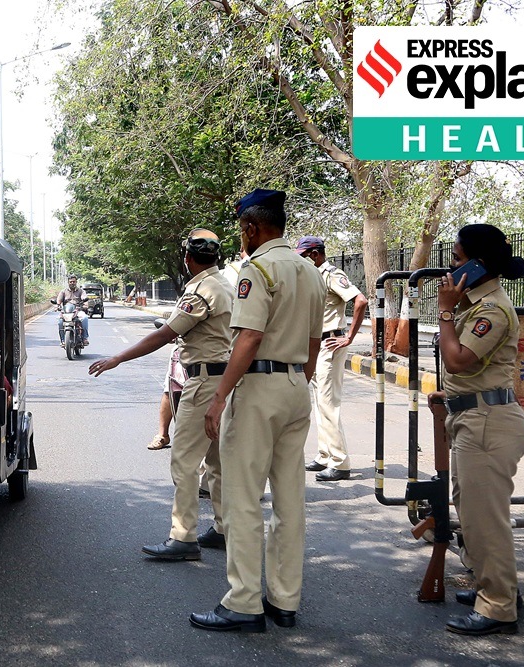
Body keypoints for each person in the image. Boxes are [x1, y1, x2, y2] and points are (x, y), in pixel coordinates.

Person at [192, 188, 324, 633]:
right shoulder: (310, 271)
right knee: (290, 500)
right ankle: (284, 601)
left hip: (258, 389)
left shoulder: (258, 269)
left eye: (241, 229)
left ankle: (243, 602)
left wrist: (219, 397)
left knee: (243, 498)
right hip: (296, 386)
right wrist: (295, 382)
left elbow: (248, 338)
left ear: (251, 228)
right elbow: (313, 342)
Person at [90, 229, 233, 560]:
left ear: (187, 258)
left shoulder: (200, 291)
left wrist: (117, 358)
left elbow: (165, 334)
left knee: (185, 461)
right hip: (226, 380)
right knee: (217, 460)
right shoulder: (226, 284)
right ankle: (225, 529)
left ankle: (183, 538)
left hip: (204, 382)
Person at [436, 224, 524, 636]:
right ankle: (496, 587)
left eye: (456, 259)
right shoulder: (477, 305)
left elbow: (458, 360)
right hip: (472, 418)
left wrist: (444, 311)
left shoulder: (491, 310)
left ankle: (498, 606)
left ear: (477, 264)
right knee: (472, 512)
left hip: (487, 424)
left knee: (485, 520)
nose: (450, 268)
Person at [298, 236, 369, 482]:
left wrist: (349, 337)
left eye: (304, 256)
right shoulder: (315, 276)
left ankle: (339, 462)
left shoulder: (332, 274)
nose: (301, 260)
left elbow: (360, 300)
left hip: (330, 342)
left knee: (329, 403)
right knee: (319, 402)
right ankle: (325, 454)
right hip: (317, 344)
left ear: (315, 255)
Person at [147, 347, 187, 450]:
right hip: (185, 352)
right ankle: (163, 434)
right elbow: (164, 337)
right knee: (170, 389)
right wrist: (120, 358)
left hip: (215, 356)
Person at [56, 275, 90, 346]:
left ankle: (85, 338)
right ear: (68, 282)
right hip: (66, 312)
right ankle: (63, 340)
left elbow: (84, 298)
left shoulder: (81, 291)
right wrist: (57, 306)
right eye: (70, 282)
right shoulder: (63, 291)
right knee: (60, 322)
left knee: (85, 318)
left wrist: (85, 305)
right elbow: (59, 300)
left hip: (78, 310)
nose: (72, 283)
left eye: (74, 282)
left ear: (76, 282)